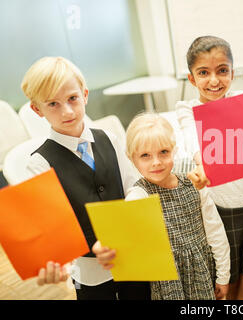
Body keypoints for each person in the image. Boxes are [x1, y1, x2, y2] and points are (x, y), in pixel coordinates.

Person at [22, 56, 150, 300]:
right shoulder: (39, 164)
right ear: (37, 109)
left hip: (133, 257)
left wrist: (132, 207)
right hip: (89, 273)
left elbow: (134, 184)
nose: (67, 111)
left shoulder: (109, 138)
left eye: (72, 99)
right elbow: (54, 226)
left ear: (85, 95)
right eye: (53, 104)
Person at [175, 35, 243, 300]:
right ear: (192, 78)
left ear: (232, 72)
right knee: (225, 290)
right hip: (216, 213)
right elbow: (194, 146)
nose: (214, 80)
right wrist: (201, 161)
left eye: (222, 71)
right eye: (203, 73)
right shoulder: (187, 109)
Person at [94, 113, 230, 300]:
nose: (156, 162)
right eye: (145, 155)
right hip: (168, 282)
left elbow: (216, 232)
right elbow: (123, 222)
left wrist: (223, 276)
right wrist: (105, 243)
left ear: (174, 150)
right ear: (131, 158)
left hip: (202, 271)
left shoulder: (194, 184)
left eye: (163, 152)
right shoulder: (139, 194)